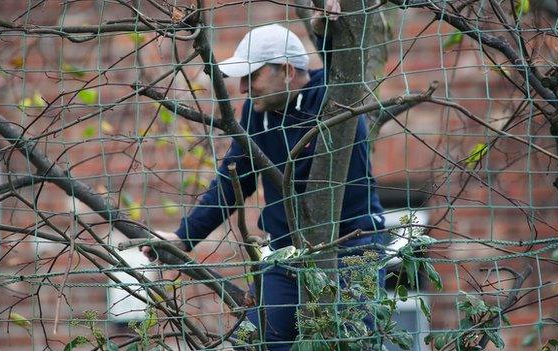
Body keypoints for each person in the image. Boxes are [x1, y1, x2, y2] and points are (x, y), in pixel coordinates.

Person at [144, 2, 389, 349]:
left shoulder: (333, 97)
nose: (243, 88)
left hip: (353, 245)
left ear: (286, 70)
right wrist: (184, 238)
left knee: (352, 342)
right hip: (286, 254)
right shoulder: (254, 117)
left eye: (251, 76)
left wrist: (327, 32)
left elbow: (345, 68)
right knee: (253, 341)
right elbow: (232, 182)